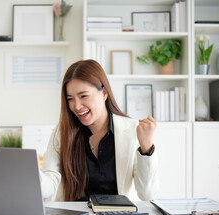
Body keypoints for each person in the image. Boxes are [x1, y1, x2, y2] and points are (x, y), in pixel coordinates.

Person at [40, 59, 158, 201]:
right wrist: (33, 176)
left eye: (83, 96)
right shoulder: (62, 131)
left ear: (104, 93)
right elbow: (50, 183)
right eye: (70, 99)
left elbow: (147, 195)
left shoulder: (133, 130)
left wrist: (146, 148)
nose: (76, 106)